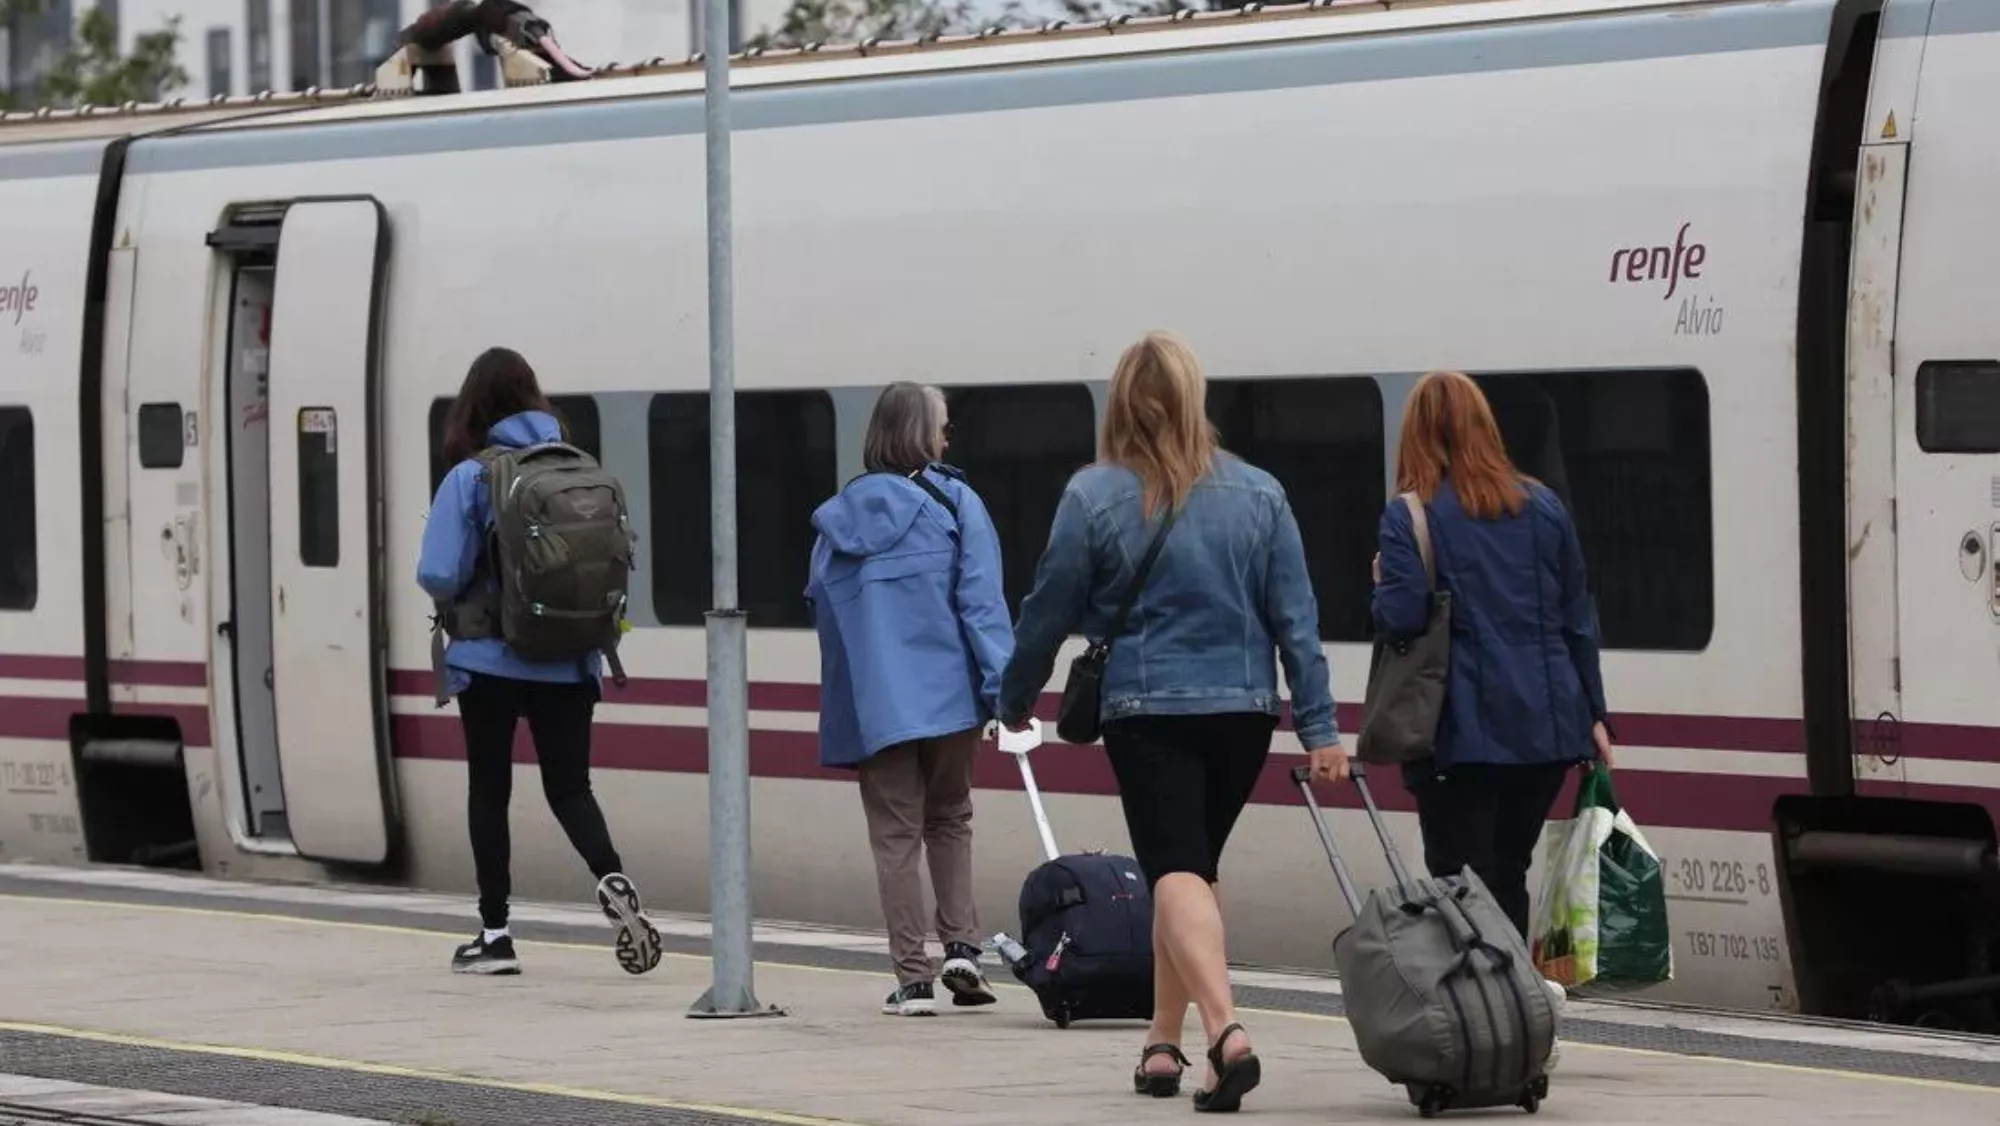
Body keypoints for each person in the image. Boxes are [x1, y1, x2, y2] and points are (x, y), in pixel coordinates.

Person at [998, 331, 1348, 1113]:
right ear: (1195, 398)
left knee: (1175, 870)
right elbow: (1298, 623)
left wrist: (1014, 697)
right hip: (1244, 716)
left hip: (1148, 714)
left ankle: (1227, 1035)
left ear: (1121, 401)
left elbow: (1046, 611)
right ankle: (1162, 1047)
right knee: (1187, 870)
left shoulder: (1094, 495)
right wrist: (1319, 726)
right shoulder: (1260, 492)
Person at [417, 346, 660, 978]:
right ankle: (612, 877)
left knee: (489, 791)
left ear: (474, 406)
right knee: (570, 787)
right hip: (573, 657)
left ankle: (495, 935)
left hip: (490, 661)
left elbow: (438, 572)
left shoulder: (472, 478)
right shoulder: (580, 469)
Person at [1370, 369, 1616, 943]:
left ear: (1417, 435)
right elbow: (1578, 618)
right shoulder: (1545, 506)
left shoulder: (1411, 515)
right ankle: (1515, 1006)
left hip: (1459, 734)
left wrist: (1380, 587)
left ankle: (1483, 1005)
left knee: (1458, 879)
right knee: (1511, 869)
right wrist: (1596, 715)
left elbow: (1403, 616)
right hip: (1545, 729)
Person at [805, 382, 1014, 1017]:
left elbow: (828, 623)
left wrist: (854, 707)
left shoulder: (837, 520)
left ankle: (913, 980)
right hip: (951, 703)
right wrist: (1004, 692)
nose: (948, 439)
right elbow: (982, 605)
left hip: (882, 708)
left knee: (896, 837)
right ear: (921, 433)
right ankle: (961, 950)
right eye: (942, 427)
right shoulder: (956, 504)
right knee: (950, 819)